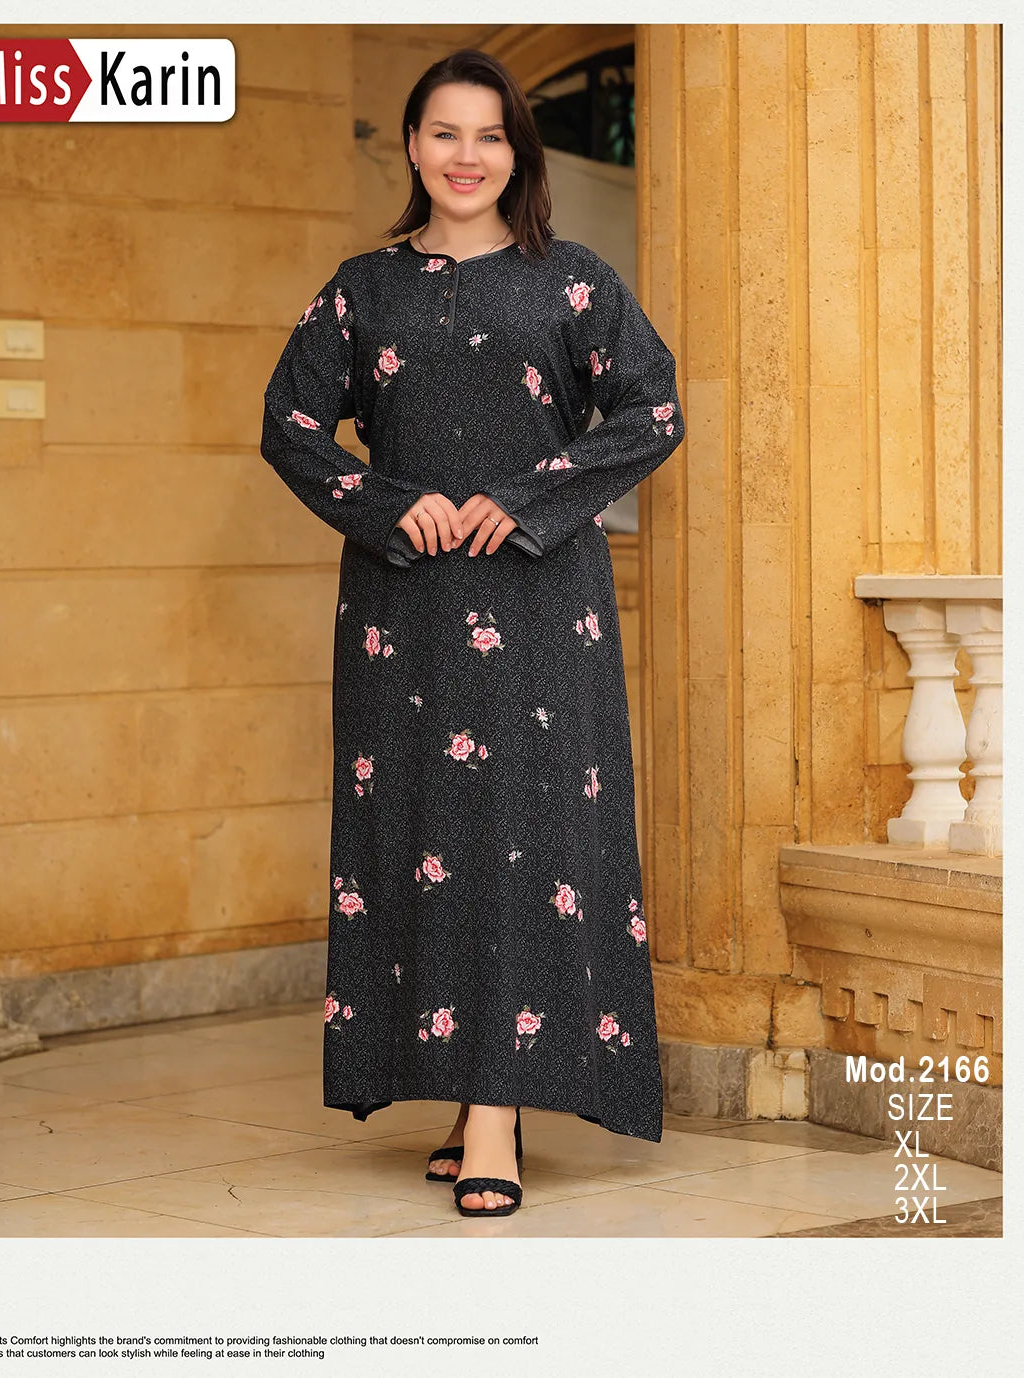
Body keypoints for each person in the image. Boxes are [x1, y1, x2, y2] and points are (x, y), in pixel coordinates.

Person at [260, 48, 684, 1220]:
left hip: (543, 601)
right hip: (403, 610)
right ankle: (462, 1091)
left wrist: (536, 492)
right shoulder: (362, 289)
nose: (465, 155)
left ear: (516, 153)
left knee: (525, 836)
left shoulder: (574, 281)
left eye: (488, 135)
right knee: (426, 835)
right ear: (411, 146)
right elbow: (288, 424)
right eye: (444, 133)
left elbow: (653, 407)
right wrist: (393, 503)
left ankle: (496, 1112)